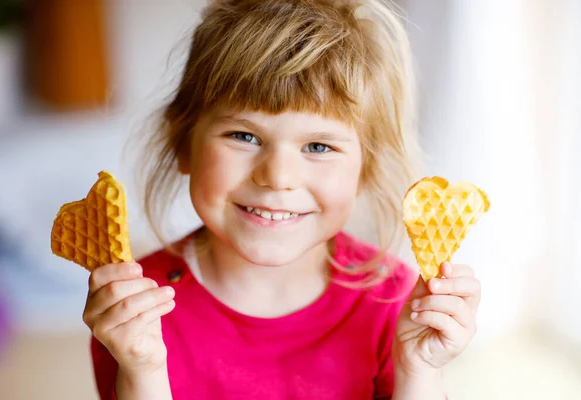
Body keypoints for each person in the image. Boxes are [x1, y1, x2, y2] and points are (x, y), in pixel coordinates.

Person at [84, 1, 481, 398]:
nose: (278, 176)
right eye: (244, 136)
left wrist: (420, 370)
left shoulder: (393, 299)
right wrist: (143, 369)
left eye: (319, 146)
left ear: (366, 169)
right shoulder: (133, 306)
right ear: (183, 143)